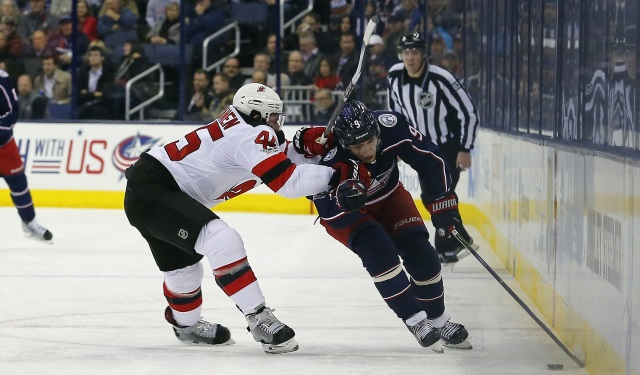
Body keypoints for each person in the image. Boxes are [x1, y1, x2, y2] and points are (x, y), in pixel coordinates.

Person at [123, 83, 367, 354]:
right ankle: (258, 317)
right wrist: (334, 177)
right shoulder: (250, 135)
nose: (277, 122)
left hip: (148, 190)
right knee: (221, 239)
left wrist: (302, 143)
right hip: (155, 191)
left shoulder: (243, 130)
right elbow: (287, 182)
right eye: (274, 116)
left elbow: (280, 155)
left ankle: (186, 326)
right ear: (256, 114)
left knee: (185, 271)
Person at [291, 100, 471, 350]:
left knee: (424, 255)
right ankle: (415, 319)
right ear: (344, 144)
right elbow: (319, 203)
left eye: (370, 141)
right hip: (348, 213)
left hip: (390, 196)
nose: (367, 151)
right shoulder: (329, 160)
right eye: (357, 146)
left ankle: (439, 320)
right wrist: (341, 197)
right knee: (381, 254)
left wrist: (442, 204)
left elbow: (431, 159)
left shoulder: (391, 126)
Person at [387, 32, 479, 265]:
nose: (410, 57)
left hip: (447, 146)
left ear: (424, 54)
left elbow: (468, 112)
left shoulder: (441, 78)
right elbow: (395, 113)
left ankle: (447, 247)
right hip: (420, 147)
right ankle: (458, 241)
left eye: (415, 51)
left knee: (438, 194)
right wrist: (396, 143)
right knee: (434, 196)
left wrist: (465, 148)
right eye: (405, 52)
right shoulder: (394, 75)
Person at [0, 69, 52, 241]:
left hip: (4, 144)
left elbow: (12, 111)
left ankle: (29, 222)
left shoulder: (3, 79)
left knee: (18, 183)